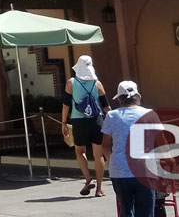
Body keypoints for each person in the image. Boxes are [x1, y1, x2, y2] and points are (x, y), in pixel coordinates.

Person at [101, 80, 156, 217]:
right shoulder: (150, 114)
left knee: (126, 209)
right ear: (139, 97)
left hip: (119, 170)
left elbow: (105, 145)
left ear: (120, 99)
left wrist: (110, 159)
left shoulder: (112, 115)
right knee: (146, 211)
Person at [60, 55, 109, 197]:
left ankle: (88, 179)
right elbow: (106, 107)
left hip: (79, 121)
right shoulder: (97, 83)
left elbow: (65, 105)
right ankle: (99, 188)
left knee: (80, 151)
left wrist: (63, 123)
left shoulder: (71, 83)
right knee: (98, 154)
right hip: (97, 120)